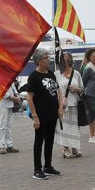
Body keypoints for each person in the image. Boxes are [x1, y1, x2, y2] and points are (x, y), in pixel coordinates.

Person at [27, 48, 63, 179]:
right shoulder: (34, 77)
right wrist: (35, 117)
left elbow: (58, 91)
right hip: (41, 115)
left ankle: (48, 166)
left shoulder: (51, 74)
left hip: (52, 113)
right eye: (46, 58)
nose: (49, 60)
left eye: (48, 57)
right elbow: (29, 98)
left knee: (49, 141)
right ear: (38, 61)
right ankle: (37, 169)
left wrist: (60, 107)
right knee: (39, 141)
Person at [55, 52, 85, 159]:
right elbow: (55, 90)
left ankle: (74, 147)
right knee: (65, 127)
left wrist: (77, 89)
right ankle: (65, 148)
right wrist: (59, 105)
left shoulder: (76, 73)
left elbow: (82, 88)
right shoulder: (56, 74)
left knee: (75, 127)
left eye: (67, 59)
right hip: (63, 105)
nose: (65, 61)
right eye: (63, 59)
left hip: (75, 104)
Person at [0, 82, 21, 154]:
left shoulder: (9, 78)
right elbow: (2, 91)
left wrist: (17, 95)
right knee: (2, 125)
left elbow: (13, 87)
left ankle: (9, 145)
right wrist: (13, 98)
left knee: (8, 126)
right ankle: (1, 146)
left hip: (10, 104)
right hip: (2, 104)